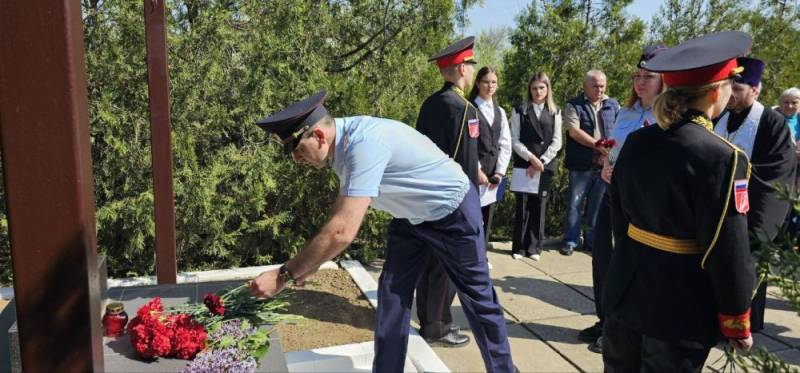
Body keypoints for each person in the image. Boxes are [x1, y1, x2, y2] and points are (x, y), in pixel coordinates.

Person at [249, 91, 516, 373]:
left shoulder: (364, 144)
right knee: (392, 296)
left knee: (478, 300)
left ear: (318, 136)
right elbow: (343, 209)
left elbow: (342, 231)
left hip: (452, 211)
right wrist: (312, 263)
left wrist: (283, 275)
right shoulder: (342, 143)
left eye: (298, 151)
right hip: (410, 216)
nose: (297, 160)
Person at [602, 31, 756, 371]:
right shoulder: (723, 157)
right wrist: (736, 317)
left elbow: (619, 217)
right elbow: (726, 247)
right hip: (679, 309)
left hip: (626, 292)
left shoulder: (638, 141)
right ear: (716, 91)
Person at [580, 44, 666, 353]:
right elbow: (615, 149)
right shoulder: (627, 111)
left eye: (649, 76)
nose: (641, 82)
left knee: (628, 266)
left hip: (642, 203)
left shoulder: (667, 117)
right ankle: (605, 320)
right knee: (603, 258)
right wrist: (606, 164)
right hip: (612, 195)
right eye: (637, 75)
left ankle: (620, 330)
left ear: (664, 80)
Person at [713, 57, 797, 333]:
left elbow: (775, 175)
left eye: (739, 87)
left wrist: (758, 224)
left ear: (756, 90)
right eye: (730, 85)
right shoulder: (718, 115)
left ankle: (743, 327)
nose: (732, 93)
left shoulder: (772, 124)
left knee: (745, 272)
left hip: (750, 214)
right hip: (716, 211)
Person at [413, 36, 480, 348]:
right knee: (446, 267)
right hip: (452, 200)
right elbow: (465, 164)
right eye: (469, 65)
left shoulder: (430, 103)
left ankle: (428, 320)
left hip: (426, 196)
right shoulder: (465, 109)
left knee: (429, 263)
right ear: (462, 68)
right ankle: (438, 326)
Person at [562, 69, 620, 255]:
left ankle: (591, 242)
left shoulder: (613, 105)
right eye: (595, 86)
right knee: (575, 204)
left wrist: (609, 153)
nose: (599, 89)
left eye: (602, 85)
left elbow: (619, 131)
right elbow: (574, 131)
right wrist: (598, 145)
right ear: (585, 86)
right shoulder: (573, 105)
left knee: (597, 205)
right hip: (581, 164)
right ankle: (571, 241)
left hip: (605, 165)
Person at [509, 72, 562, 261]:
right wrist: (531, 158)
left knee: (539, 207)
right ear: (529, 90)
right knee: (522, 206)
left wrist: (541, 162)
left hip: (544, 167)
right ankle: (519, 248)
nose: (538, 91)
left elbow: (557, 141)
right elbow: (513, 140)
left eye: (542, 87)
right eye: (534, 88)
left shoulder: (555, 111)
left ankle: (534, 248)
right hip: (524, 164)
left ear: (548, 89)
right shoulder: (519, 110)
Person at [468, 66, 512, 250]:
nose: (490, 85)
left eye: (494, 82)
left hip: (493, 175)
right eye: (486, 81)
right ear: (478, 83)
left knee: (487, 217)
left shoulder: (500, 111)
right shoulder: (470, 109)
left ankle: (482, 255)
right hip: (473, 172)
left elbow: (506, 144)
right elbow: (470, 143)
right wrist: (477, 170)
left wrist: (500, 172)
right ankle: (470, 255)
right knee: (471, 217)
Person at [777, 87, 800, 236]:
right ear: (780, 103)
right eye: (786, 102)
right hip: (782, 170)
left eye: (794, 102)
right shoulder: (773, 118)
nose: (790, 106)